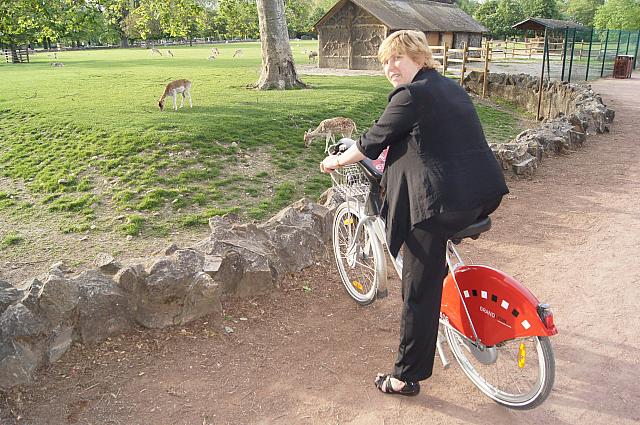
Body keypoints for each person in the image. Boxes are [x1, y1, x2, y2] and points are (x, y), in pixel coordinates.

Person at [320, 30, 509, 396]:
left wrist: (336, 161)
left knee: (418, 293)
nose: (390, 66)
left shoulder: (410, 94)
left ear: (420, 58)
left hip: (441, 207)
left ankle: (406, 377)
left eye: (398, 58)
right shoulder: (448, 87)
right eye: (385, 61)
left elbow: (372, 140)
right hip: (479, 196)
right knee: (433, 267)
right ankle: (449, 298)